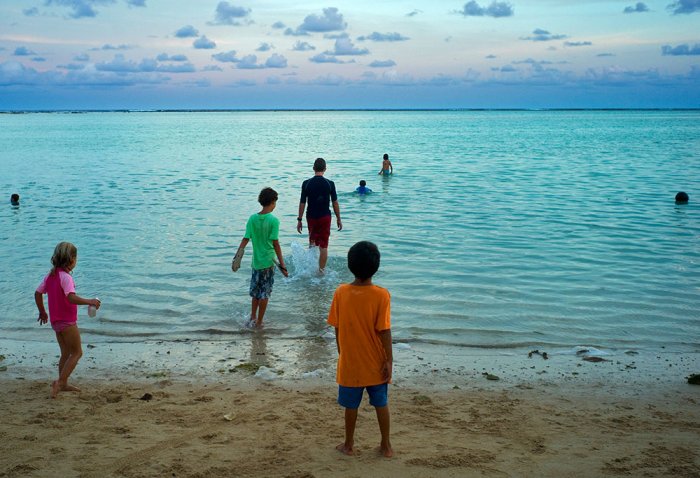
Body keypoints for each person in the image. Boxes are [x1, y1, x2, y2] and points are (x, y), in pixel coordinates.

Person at [327, 241, 393, 458]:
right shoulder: (381, 295)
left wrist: (342, 353)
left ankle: (348, 444)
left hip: (350, 362)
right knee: (381, 404)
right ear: (376, 266)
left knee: (351, 407)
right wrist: (389, 360)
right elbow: (384, 331)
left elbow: (337, 327)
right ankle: (386, 445)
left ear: (350, 265)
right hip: (376, 363)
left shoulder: (340, 292)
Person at [34, 242, 101, 399]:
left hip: (56, 323)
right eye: (76, 258)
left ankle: (63, 383)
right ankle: (60, 382)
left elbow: (37, 293)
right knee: (77, 353)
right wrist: (90, 301)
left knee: (65, 353)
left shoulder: (51, 276)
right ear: (71, 259)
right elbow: (70, 297)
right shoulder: (66, 277)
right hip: (67, 322)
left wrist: (42, 312)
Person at [236, 187, 288, 328]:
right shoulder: (274, 221)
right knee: (265, 294)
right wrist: (282, 265)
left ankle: (252, 317)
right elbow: (276, 244)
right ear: (272, 202)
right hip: (268, 262)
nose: (275, 205)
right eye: (275, 202)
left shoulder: (252, 218)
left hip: (256, 263)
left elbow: (246, 238)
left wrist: (237, 256)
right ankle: (259, 321)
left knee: (255, 293)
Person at [297, 157, 342, 273]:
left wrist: (299, 219)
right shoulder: (330, 184)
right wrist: (338, 218)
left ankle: (310, 269)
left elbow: (302, 202)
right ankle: (321, 272)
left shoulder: (306, 183)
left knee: (312, 243)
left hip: (311, 216)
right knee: (323, 246)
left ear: (313, 168)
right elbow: (335, 202)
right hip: (325, 217)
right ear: (325, 169)